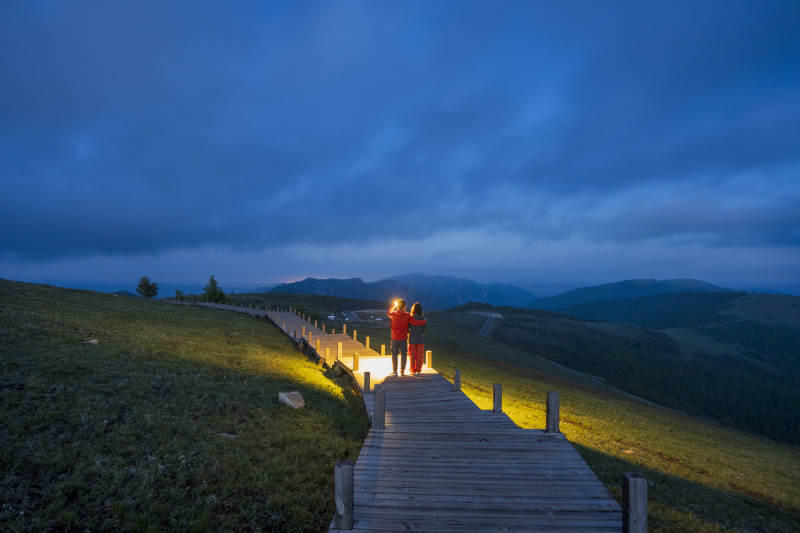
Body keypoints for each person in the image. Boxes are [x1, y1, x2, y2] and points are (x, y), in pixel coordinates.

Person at [387, 299, 411, 376]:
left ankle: (395, 371)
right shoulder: (407, 315)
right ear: (405, 306)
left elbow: (388, 313)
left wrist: (394, 306)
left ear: (397, 306)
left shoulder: (393, 314)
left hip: (394, 338)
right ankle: (402, 371)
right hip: (403, 338)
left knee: (394, 354)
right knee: (404, 354)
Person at [407, 302, 426, 375]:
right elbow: (425, 331)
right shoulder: (423, 319)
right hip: (420, 339)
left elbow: (408, 329)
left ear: (413, 310)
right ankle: (418, 370)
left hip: (412, 339)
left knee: (412, 355)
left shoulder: (410, 318)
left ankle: (412, 369)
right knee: (419, 356)